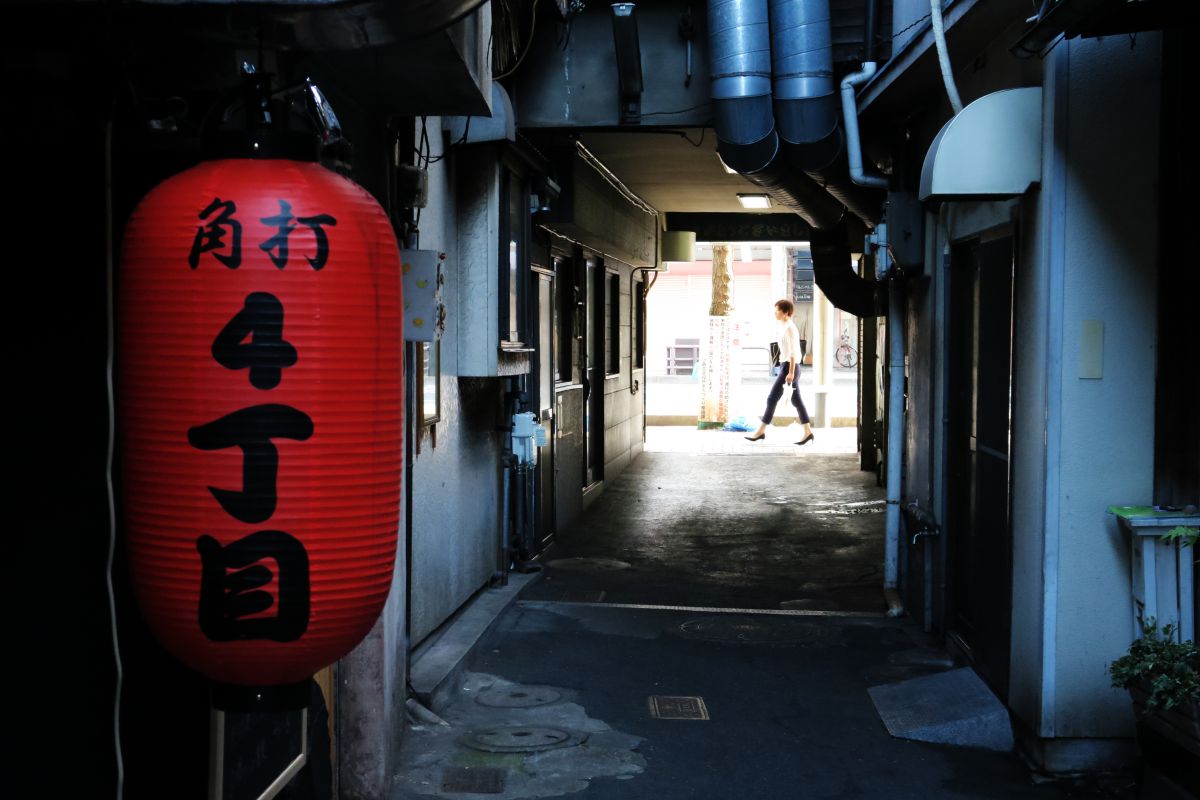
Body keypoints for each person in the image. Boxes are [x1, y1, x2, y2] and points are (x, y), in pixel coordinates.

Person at [745, 299, 814, 445]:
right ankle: (808, 432)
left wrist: (790, 372)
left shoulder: (790, 328)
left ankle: (761, 431)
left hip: (790, 367)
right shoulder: (782, 325)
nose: (774, 313)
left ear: (786, 312)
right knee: (796, 401)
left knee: (771, 399)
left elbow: (794, 352)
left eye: (777, 310)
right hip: (786, 366)